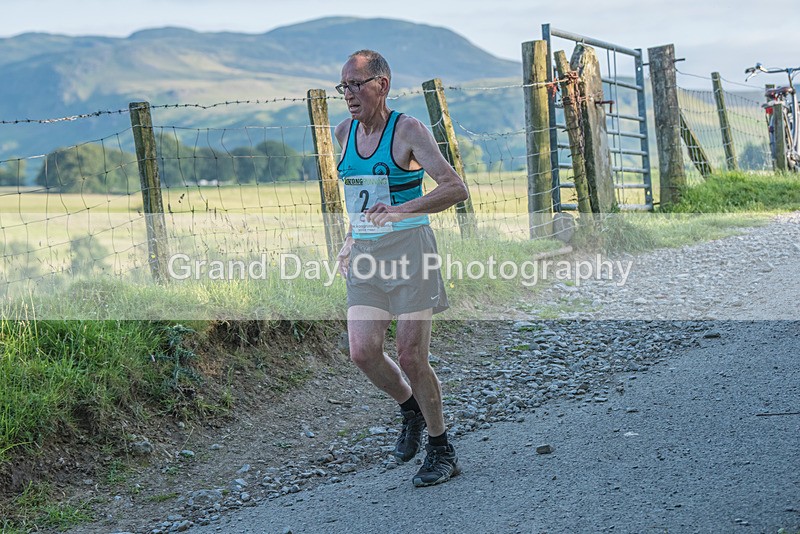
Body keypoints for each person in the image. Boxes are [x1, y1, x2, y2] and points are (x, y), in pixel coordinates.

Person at [333, 49, 469, 487]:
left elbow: (455, 188)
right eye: (344, 87)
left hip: (412, 251)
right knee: (363, 351)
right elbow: (359, 203)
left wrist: (401, 210)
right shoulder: (343, 133)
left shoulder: (407, 130)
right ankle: (411, 412)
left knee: (411, 355)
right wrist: (350, 240)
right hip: (367, 259)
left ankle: (441, 448)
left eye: (357, 85)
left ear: (382, 85)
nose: (349, 95)